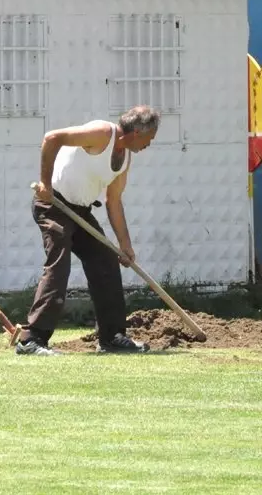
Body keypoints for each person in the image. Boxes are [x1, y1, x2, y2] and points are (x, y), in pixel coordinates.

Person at [19, 106, 161, 355]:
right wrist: (45, 182)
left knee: (105, 260)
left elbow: (113, 201)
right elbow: (52, 138)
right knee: (59, 263)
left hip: (80, 211)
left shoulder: (125, 158)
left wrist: (125, 244)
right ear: (137, 131)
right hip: (53, 204)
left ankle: (111, 337)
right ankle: (31, 339)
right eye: (150, 137)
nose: (151, 143)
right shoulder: (102, 133)